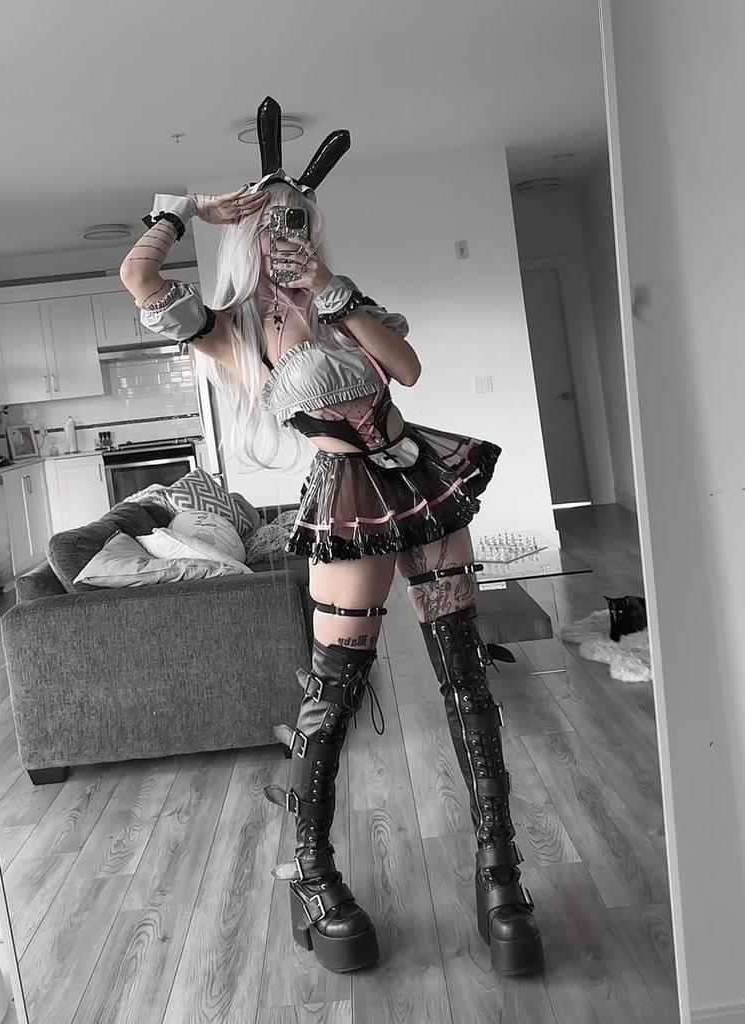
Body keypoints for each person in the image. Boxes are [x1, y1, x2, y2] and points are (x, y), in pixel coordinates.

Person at [118, 96, 543, 978]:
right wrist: (184, 207)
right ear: (248, 229)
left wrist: (328, 289)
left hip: (421, 478)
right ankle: (312, 874)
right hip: (348, 500)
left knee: (465, 674)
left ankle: (500, 874)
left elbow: (408, 370)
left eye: (301, 218)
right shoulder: (229, 330)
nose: (290, 230)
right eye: (275, 219)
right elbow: (137, 277)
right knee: (335, 691)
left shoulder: (342, 297)